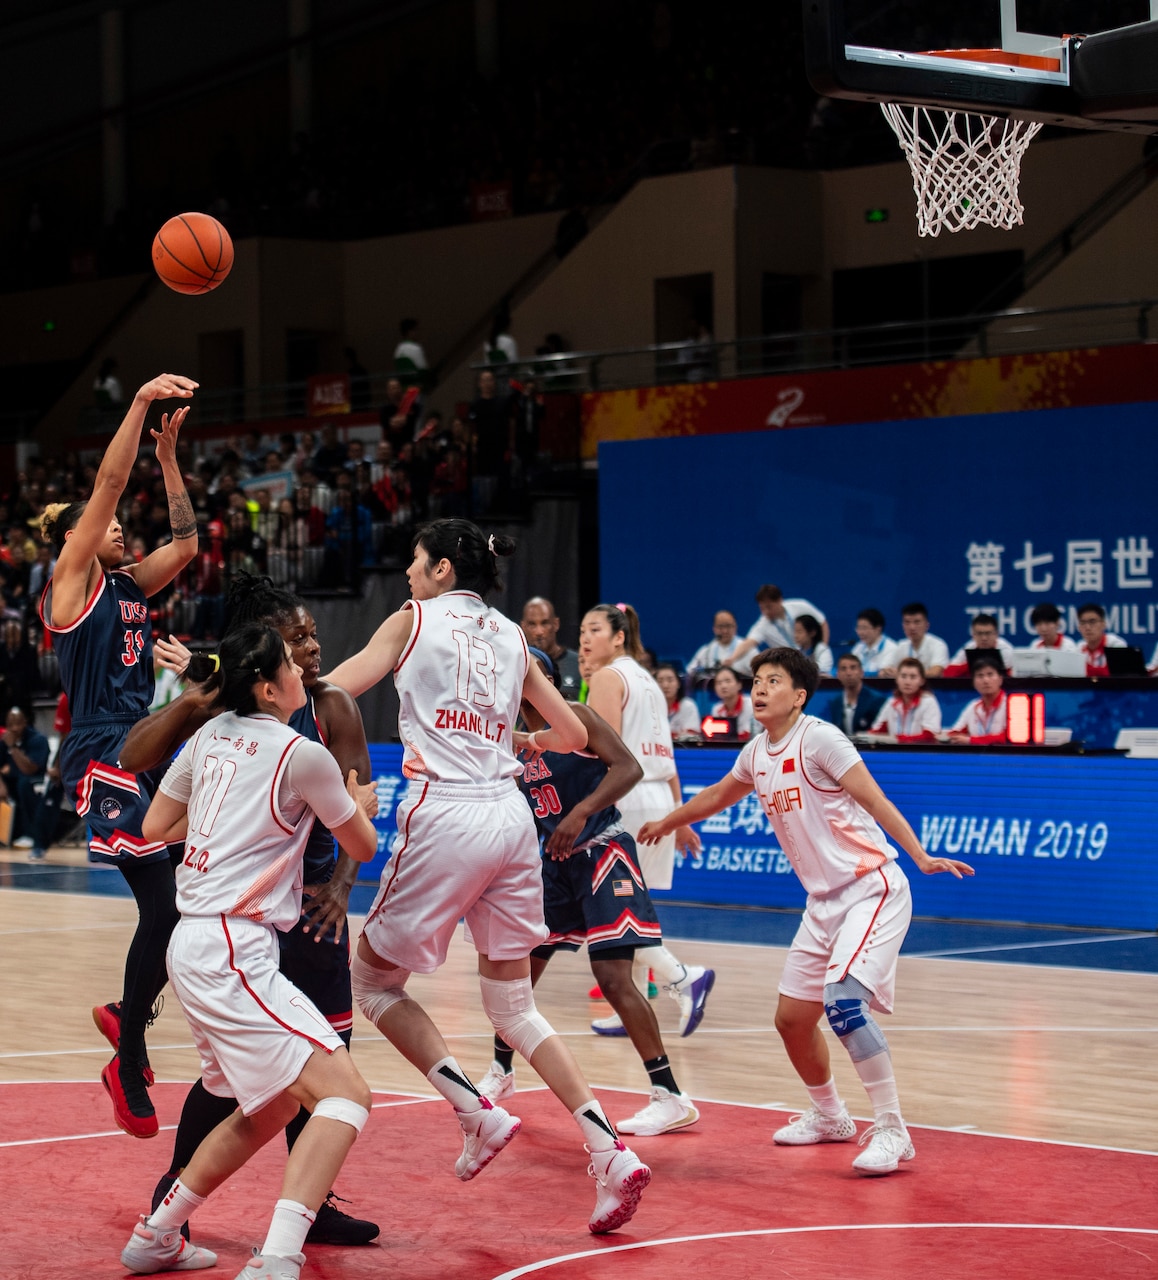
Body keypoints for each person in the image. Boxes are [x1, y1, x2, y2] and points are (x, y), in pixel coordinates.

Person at [321, 520, 652, 1235]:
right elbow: (570, 736)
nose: (408, 574)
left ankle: (476, 1110)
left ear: (442, 569)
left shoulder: (413, 618)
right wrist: (510, 734)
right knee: (513, 1008)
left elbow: (338, 690)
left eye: (415, 562)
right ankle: (610, 1149)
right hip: (510, 818)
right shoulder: (510, 634)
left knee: (372, 982)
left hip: (445, 812)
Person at [637, 647, 974, 1176]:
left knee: (842, 1004)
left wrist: (922, 856)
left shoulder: (820, 738)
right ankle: (831, 1116)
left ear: (798, 696)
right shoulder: (755, 751)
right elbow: (720, 795)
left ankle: (892, 1128)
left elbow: (876, 800)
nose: (760, 689)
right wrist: (669, 821)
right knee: (792, 1020)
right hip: (822, 903)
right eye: (756, 681)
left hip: (870, 888)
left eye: (773, 681)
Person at [119, 573, 382, 1248]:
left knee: (275, 1096)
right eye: (294, 648)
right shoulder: (282, 743)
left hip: (243, 927)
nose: (308, 657)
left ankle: (163, 1232)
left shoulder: (260, 726)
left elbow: (154, 826)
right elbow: (364, 834)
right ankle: (273, 1253)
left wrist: (222, 829)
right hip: (240, 940)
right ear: (265, 675)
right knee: (339, 1091)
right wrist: (360, 811)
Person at [38, 372, 199, 1139]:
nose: (116, 529)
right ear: (73, 538)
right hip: (103, 750)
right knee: (164, 903)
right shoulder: (70, 585)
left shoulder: (133, 582)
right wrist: (138, 406)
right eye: (101, 526)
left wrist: (169, 459)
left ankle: (125, 1016)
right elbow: (107, 480)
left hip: (150, 746)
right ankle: (128, 1052)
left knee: (188, 902)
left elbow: (190, 542)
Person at [479, 648, 699, 1137]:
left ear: (544, 679)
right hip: (555, 867)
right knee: (518, 971)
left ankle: (669, 1095)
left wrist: (579, 814)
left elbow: (628, 768)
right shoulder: (513, 742)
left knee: (614, 977)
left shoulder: (576, 719)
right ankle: (501, 1071)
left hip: (602, 850)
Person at [580, 602, 715, 1037]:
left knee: (615, 910)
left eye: (595, 629)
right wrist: (679, 816)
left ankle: (682, 977)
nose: (585, 638)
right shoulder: (652, 683)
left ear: (618, 636)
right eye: (583, 629)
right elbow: (668, 757)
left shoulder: (607, 678)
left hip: (626, 798)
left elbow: (605, 754)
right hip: (657, 798)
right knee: (631, 910)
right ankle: (631, 1009)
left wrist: (583, 807)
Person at [733, 584, 829, 668]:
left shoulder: (800, 606)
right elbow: (748, 643)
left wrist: (821, 650)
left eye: (769, 607)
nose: (765, 612)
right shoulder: (763, 624)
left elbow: (822, 623)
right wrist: (731, 659)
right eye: (762, 608)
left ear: (779, 600)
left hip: (813, 657)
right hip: (791, 666)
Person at [0, 706, 49, 853]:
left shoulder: (38, 739)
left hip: (35, 780)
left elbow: (29, 769)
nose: (14, 728)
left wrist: (13, 747)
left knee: (24, 783)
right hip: (13, 780)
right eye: (10, 724)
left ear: (25, 722)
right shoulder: (4, 741)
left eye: (18, 723)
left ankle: (31, 834)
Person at [520, 595, 582, 700]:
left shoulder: (580, 664)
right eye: (532, 624)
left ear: (556, 624)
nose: (539, 632)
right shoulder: (517, 667)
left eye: (544, 623)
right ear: (523, 627)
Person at [869, 658, 941, 742]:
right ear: (897, 679)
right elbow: (877, 730)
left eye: (913, 677)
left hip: (921, 752)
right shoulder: (891, 702)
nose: (907, 682)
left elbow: (929, 736)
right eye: (903, 676)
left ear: (922, 681)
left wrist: (899, 740)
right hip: (895, 752)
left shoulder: (928, 702)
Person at [947, 655, 1008, 744]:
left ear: (1000, 679)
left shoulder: (1012, 705)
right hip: (976, 756)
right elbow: (955, 733)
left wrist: (971, 740)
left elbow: (1007, 738)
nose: (985, 680)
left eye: (990, 674)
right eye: (980, 676)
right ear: (974, 683)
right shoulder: (973, 706)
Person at [823, 653, 885, 738]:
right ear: (838, 675)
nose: (848, 673)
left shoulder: (876, 700)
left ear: (861, 672)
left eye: (853, 668)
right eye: (843, 669)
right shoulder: (835, 703)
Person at [879, 603, 949, 678]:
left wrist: (902, 674)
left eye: (917, 622)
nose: (912, 627)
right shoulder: (901, 645)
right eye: (907, 622)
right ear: (903, 626)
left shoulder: (938, 645)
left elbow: (935, 673)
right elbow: (883, 671)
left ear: (927, 625)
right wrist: (885, 672)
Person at [941, 613, 1016, 677]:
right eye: (979, 634)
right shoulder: (969, 647)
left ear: (996, 634)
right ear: (973, 635)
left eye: (988, 633)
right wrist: (971, 665)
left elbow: (1012, 676)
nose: (984, 638)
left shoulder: (1005, 650)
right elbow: (948, 673)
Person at [685, 610, 745, 680]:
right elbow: (689, 672)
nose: (725, 631)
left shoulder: (747, 649)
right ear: (714, 629)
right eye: (720, 627)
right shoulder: (707, 650)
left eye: (728, 626)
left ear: (735, 627)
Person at [1075, 602, 1127, 675]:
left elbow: (1114, 673)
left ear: (1103, 624)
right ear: (1079, 627)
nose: (1087, 627)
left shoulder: (1116, 644)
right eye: (1083, 623)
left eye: (1092, 622)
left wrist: (1085, 670)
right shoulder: (1079, 648)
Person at [656, 663, 701, 740]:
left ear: (678, 683)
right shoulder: (650, 707)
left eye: (670, 680)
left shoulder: (688, 706)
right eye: (660, 681)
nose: (665, 685)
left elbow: (691, 737)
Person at [709, 666, 755, 739]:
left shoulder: (751, 705)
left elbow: (750, 735)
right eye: (719, 683)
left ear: (739, 685)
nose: (723, 686)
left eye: (728, 681)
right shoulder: (716, 709)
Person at [850, 608, 894, 676]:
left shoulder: (891, 649)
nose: (860, 632)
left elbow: (881, 675)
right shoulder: (858, 647)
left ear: (878, 629)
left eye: (864, 628)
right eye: (858, 628)